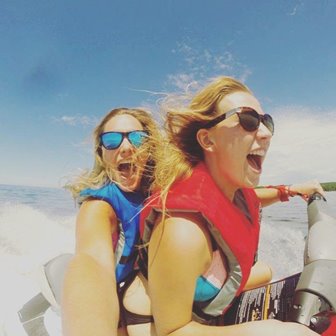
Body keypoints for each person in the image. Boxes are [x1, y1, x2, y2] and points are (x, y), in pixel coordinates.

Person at [121, 77, 323, 336]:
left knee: (275, 274)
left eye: (266, 121)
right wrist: (264, 332)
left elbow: (253, 198)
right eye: (248, 120)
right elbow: (172, 331)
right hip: (164, 324)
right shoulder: (183, 232)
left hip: (210, 306)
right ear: (207, 140)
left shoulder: (232, 191)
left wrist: (289, 191)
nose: (265, 132)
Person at [61, 107, 161, 336]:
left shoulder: (156, 193)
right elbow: (90, 263)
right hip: (115, 303)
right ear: (102, 153)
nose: (126, 147)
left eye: (137, 138)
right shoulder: (99, 207)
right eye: (112, 140)